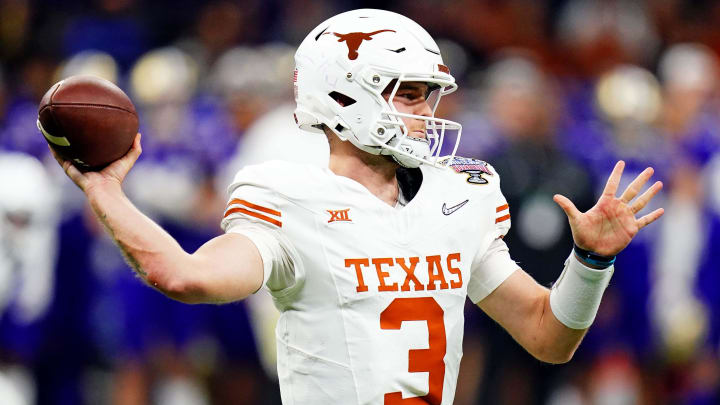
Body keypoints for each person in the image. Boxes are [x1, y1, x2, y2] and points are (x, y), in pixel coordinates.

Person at [49, 9, 664, 405]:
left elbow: (548, 338)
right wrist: (105, 190)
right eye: (411, 94)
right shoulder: (287, 196)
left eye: (431, 95)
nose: (428, 112)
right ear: (343, 97)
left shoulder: (461, 195)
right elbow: (183, 275)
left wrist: (588, 261)